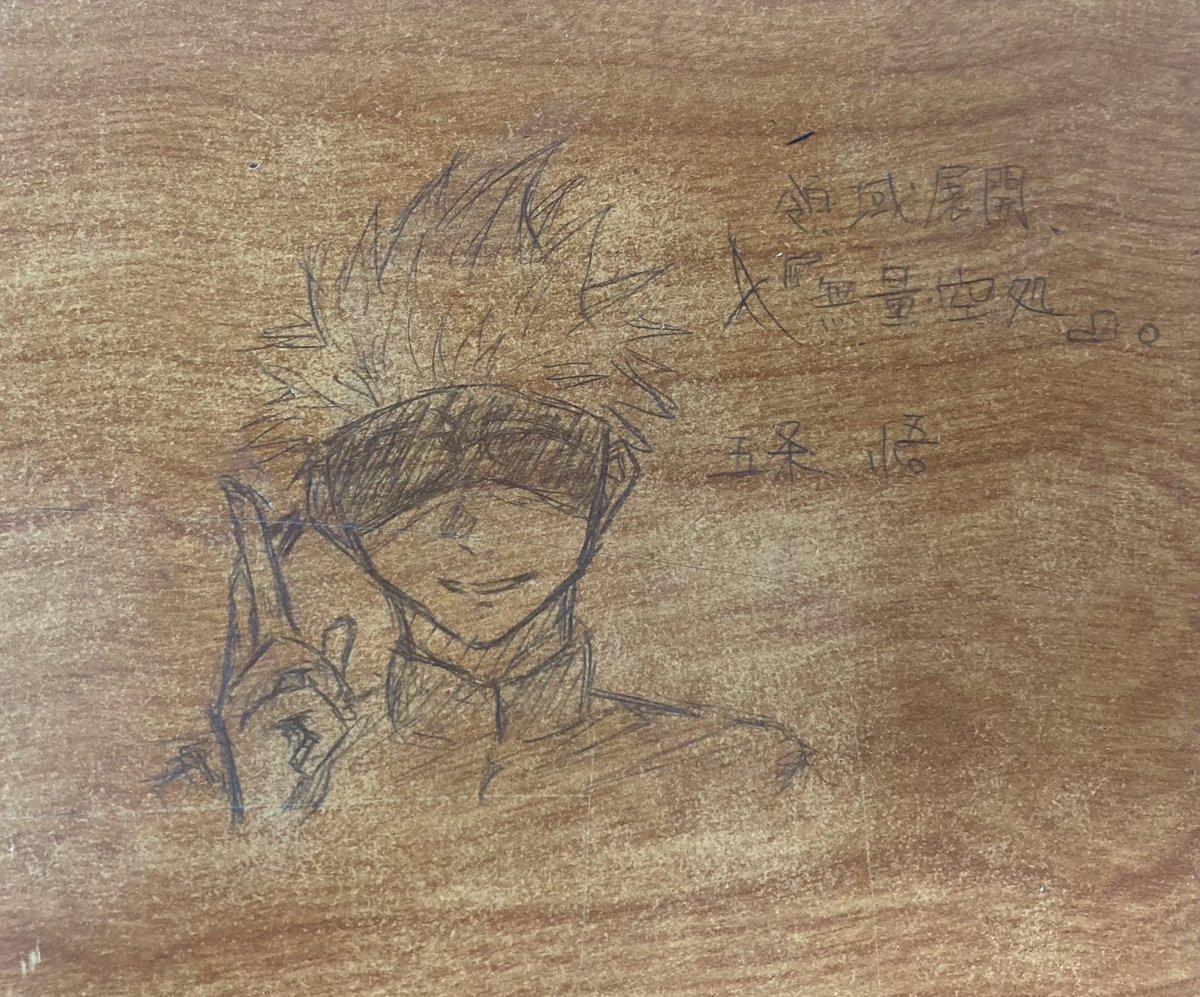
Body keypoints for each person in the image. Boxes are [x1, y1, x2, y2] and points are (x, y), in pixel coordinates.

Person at [159, 145, 814, 824]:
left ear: (610, 484)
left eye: (532, 459)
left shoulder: (745, 771)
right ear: (334, 513)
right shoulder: (236, 777)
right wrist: (276, 812)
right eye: (400, 473)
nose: (468, 526)